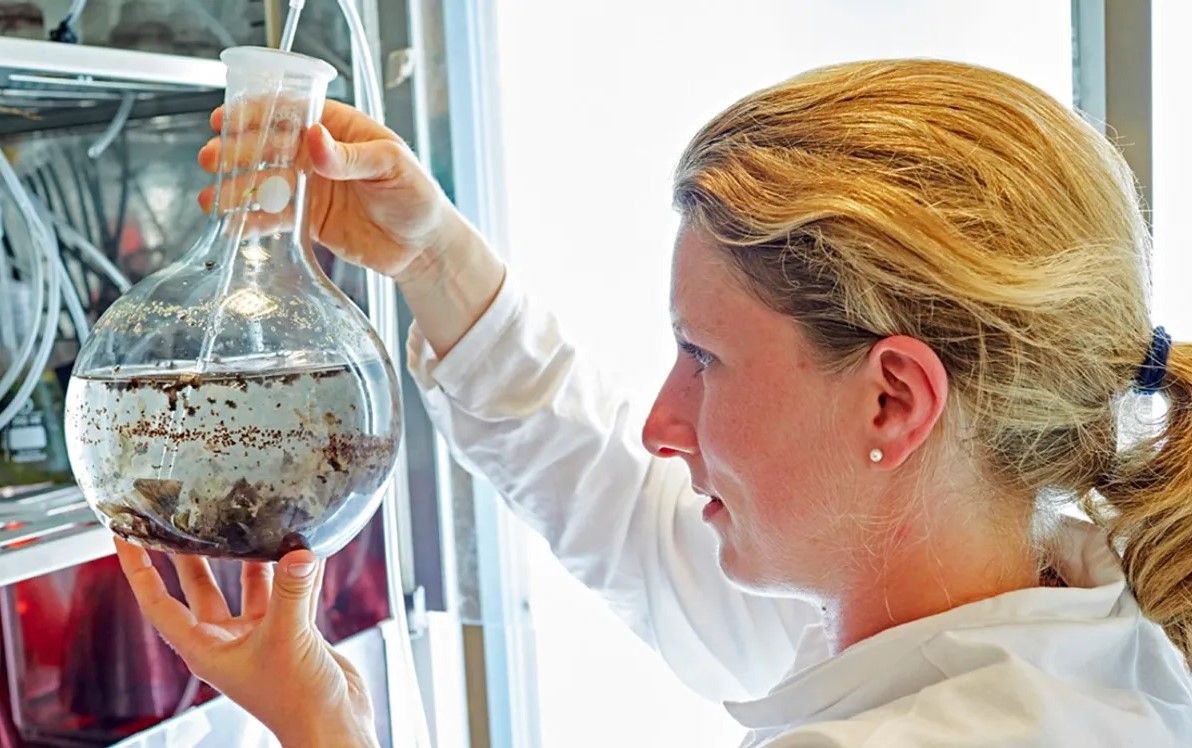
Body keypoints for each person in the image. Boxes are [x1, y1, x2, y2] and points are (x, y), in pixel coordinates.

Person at [114, 58, 1192, 746]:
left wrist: (325, 730)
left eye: (702, 357)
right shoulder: (1045, 592)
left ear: (893, 400)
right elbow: (631, 519)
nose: (659, 420)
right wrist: (433, 258)